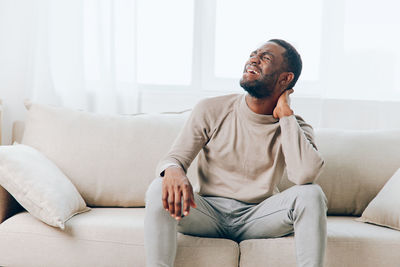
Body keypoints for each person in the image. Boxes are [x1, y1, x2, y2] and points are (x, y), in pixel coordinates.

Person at [144, 39, 327, 267]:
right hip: (209, 214)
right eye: (253, 54)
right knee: (157, 187)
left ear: (286, 78)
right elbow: (174, 158)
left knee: (312, 194)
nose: (253, 59)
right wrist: (173, 169)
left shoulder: (296, 127)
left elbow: (304, 176)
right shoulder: (211, 109)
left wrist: (286, 116)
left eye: (265, 58)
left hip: (258, 217)